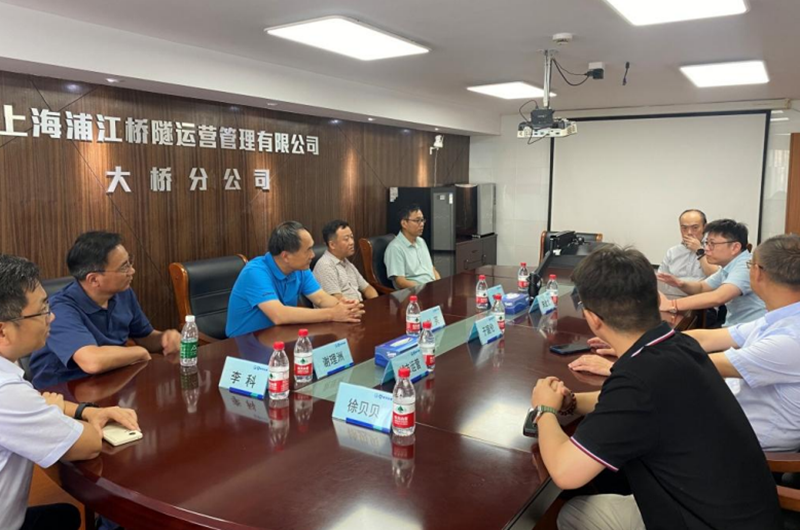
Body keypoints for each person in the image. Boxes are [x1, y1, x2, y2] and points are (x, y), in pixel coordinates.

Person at [529, 246, 781, 530]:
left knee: (571, 513)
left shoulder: (638, 380)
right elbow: (627, 404)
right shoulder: (678, 343)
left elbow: (565, 473)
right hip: (746, 513)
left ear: (593, 318)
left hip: (701, 521)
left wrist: (545, 409)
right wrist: (571, 401)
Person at [0, 254, 139, 530]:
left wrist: (85, 411)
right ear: (3, 331)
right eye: (42, 310)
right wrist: (55, 413)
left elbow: (35, 400)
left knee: (64, 516)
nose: (51, 316)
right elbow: (89, 445)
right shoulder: (7, 393)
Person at [30, 232, 181, 389]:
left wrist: (164, 339)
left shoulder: (123, 293)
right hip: (63, 392)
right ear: (94, 279)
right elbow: (92, 362)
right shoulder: (59, 309)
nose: (132, 271)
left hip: (110, 382)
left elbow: (144, 337)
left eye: (129, 262)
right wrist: (138, 352)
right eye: (124, 267)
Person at [226, 221, 364, 337]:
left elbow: (321, 299)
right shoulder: (255, 272)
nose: (312, 255)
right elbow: (279, 315)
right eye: (308, 250)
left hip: (280, 337)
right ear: (286, 256)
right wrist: (332, 314)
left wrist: (345, 307)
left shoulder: (300, 269)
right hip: (244, 344)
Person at [657, 219, 766, 327]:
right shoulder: (729, 265)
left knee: (684, 336)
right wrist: (680, 283)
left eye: (712, 244)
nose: (706, 249)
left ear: (735, 247)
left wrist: (672, 304)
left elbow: (719, 297)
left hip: (754, 330)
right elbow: (702, 287)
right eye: (706, 243)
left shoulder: (746, 266)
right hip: (737, 326)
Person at [658, 209, 719, 297]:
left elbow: (717, 276)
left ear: (705, 228)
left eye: (695, 228)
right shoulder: (672, 251)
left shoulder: (715, 249)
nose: (689, 233)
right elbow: (661, 279)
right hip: (674, 298)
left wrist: (699, 250)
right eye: (684, 228)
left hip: (704, 300)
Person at [313, 220, 378, 302]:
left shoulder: (346, 262)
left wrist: (376, 303)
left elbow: (367, 288)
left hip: (359, 306)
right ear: (332, 245)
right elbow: (337, 301)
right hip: (344, 309)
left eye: (352, 237)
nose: (352, 242)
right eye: (346, 239)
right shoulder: (325, 266)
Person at [385, 204, 441, 289]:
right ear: (404, 223)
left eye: (422, 220)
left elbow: (432, 269)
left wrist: (439, 284)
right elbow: (401, 282)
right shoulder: (395, 248)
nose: (422, 224)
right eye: (417, 220)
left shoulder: (421, 242)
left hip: (431, 288)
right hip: (414, 292)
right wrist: (425, 289)